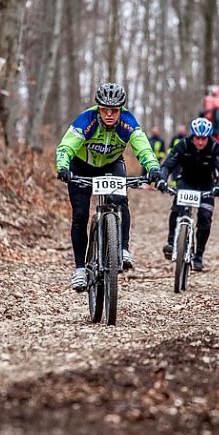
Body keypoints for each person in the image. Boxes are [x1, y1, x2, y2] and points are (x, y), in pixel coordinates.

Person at [56, 83, 162, 292]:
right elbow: (66, 146)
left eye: (115, 110)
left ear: (121, 109)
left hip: (111, 165)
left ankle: (122, 249)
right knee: (80, 214)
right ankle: (79, 270)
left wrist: (153, 168)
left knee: (121, 201)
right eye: (105, 110)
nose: (110, 114)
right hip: (81, 166)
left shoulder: (128, 121)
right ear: (99, 108)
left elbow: (143, 147)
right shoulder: (86, 120)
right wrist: (63, 167)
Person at [155, 117, 219, 272]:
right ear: (192, 136)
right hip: (186, 182)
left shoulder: (215, 147)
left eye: (204, 139)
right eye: (197, 138)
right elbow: (167, 165)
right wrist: (162, 180)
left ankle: (199, 255)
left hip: (206, 186)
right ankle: (171, 242)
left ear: (208, 137)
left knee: (205, 217)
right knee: (177, 209)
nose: (200, 143)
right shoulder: (183, 144)